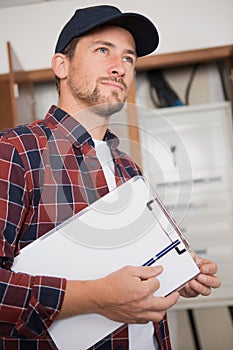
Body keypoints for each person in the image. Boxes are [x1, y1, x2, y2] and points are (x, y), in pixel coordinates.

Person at [0, 5, 221, 350]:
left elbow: (153, 261)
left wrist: (182, 269)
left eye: (129, 58)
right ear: (62, 65)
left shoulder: (129, 168)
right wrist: (96, 297)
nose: (119, 68)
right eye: (103, 50)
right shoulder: (14, 151)